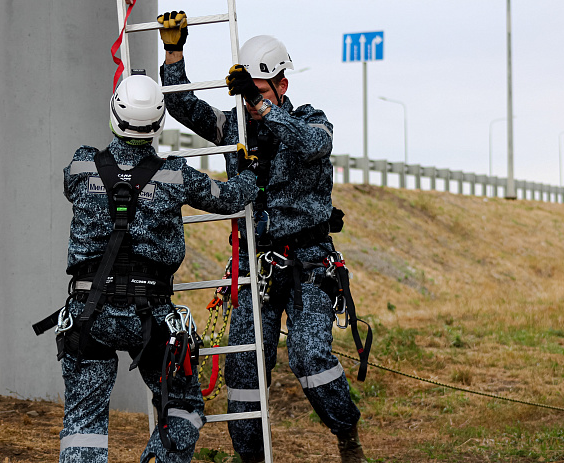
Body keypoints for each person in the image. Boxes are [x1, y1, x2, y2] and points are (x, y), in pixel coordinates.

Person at [157, 11, 366, 463]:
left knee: (310, 360)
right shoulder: (234, 127)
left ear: (281, 87)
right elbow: (181, 106)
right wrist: (174, 54)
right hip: (257, 263)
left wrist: (265, 108)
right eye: (247, 93)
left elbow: (312, 145)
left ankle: (346, 433)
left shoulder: (312, 121)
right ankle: (250, 457)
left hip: (310, 264)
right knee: (243, 369)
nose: (250, 103)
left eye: (260, 91)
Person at [35, 74, 259, 463]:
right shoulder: (175, 175)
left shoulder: (81, 166)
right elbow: (232, 198)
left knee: (83, 422)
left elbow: (74, 185)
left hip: (90, 313)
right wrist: (252, 166)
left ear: (113, 116)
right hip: (151, 319)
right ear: (158, 126)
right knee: (183, 407)